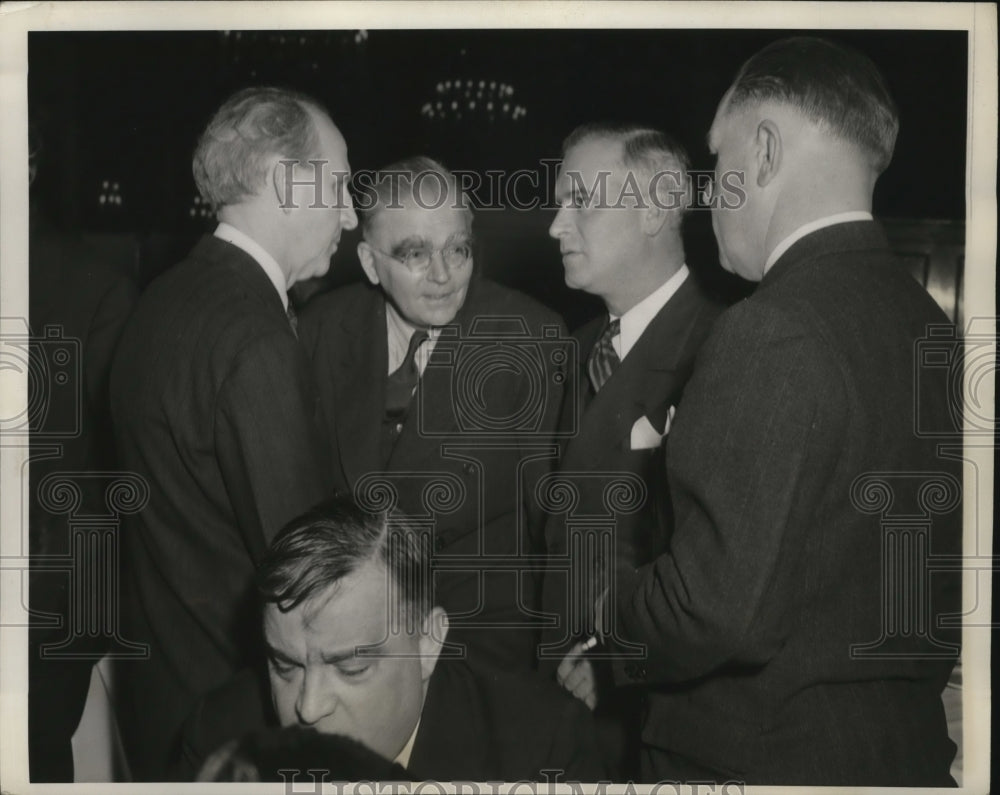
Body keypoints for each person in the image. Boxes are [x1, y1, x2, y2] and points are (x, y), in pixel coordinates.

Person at [608, 37, 962, 784]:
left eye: (716, 158)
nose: (707, 192)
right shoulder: (927, 323)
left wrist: (611, 611)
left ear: (764, 152)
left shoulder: (770, 326)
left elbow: (710, 609)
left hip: (756, 758)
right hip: (899, 754)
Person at [109, 86, 357, 779]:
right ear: (285, 181)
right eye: (339, 185)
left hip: (159, 696)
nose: (349, 211)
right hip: (238, 728)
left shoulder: (164, 298)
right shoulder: (256, 338)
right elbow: (310, 577)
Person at [299, 156, 568, 672]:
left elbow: (555, 527)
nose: (443, 275)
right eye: (414, 254)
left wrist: (560, 656)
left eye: (458, 249)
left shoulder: (531, 338)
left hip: (484, 646)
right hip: (355, 644)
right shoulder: (323, 330)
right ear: (370, 263)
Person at [539, 123, 724, 776]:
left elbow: (721, 573)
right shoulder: (578, 344)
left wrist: (615, 658)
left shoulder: (724, 345)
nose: (557, 226)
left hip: (651, 719)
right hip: (556, 704)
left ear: (656, 205)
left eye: (582, 201)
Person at [181, 499, 608, 782]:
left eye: (351, 668)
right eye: (284, 665)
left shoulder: (545, 751)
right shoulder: (218, 737)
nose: (307, 709)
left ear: (428, 644)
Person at [27, 118, 138, 782]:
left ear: (29, 161)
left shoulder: (96, 290)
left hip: (44, 607)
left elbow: (109, 475)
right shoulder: (98, 287)